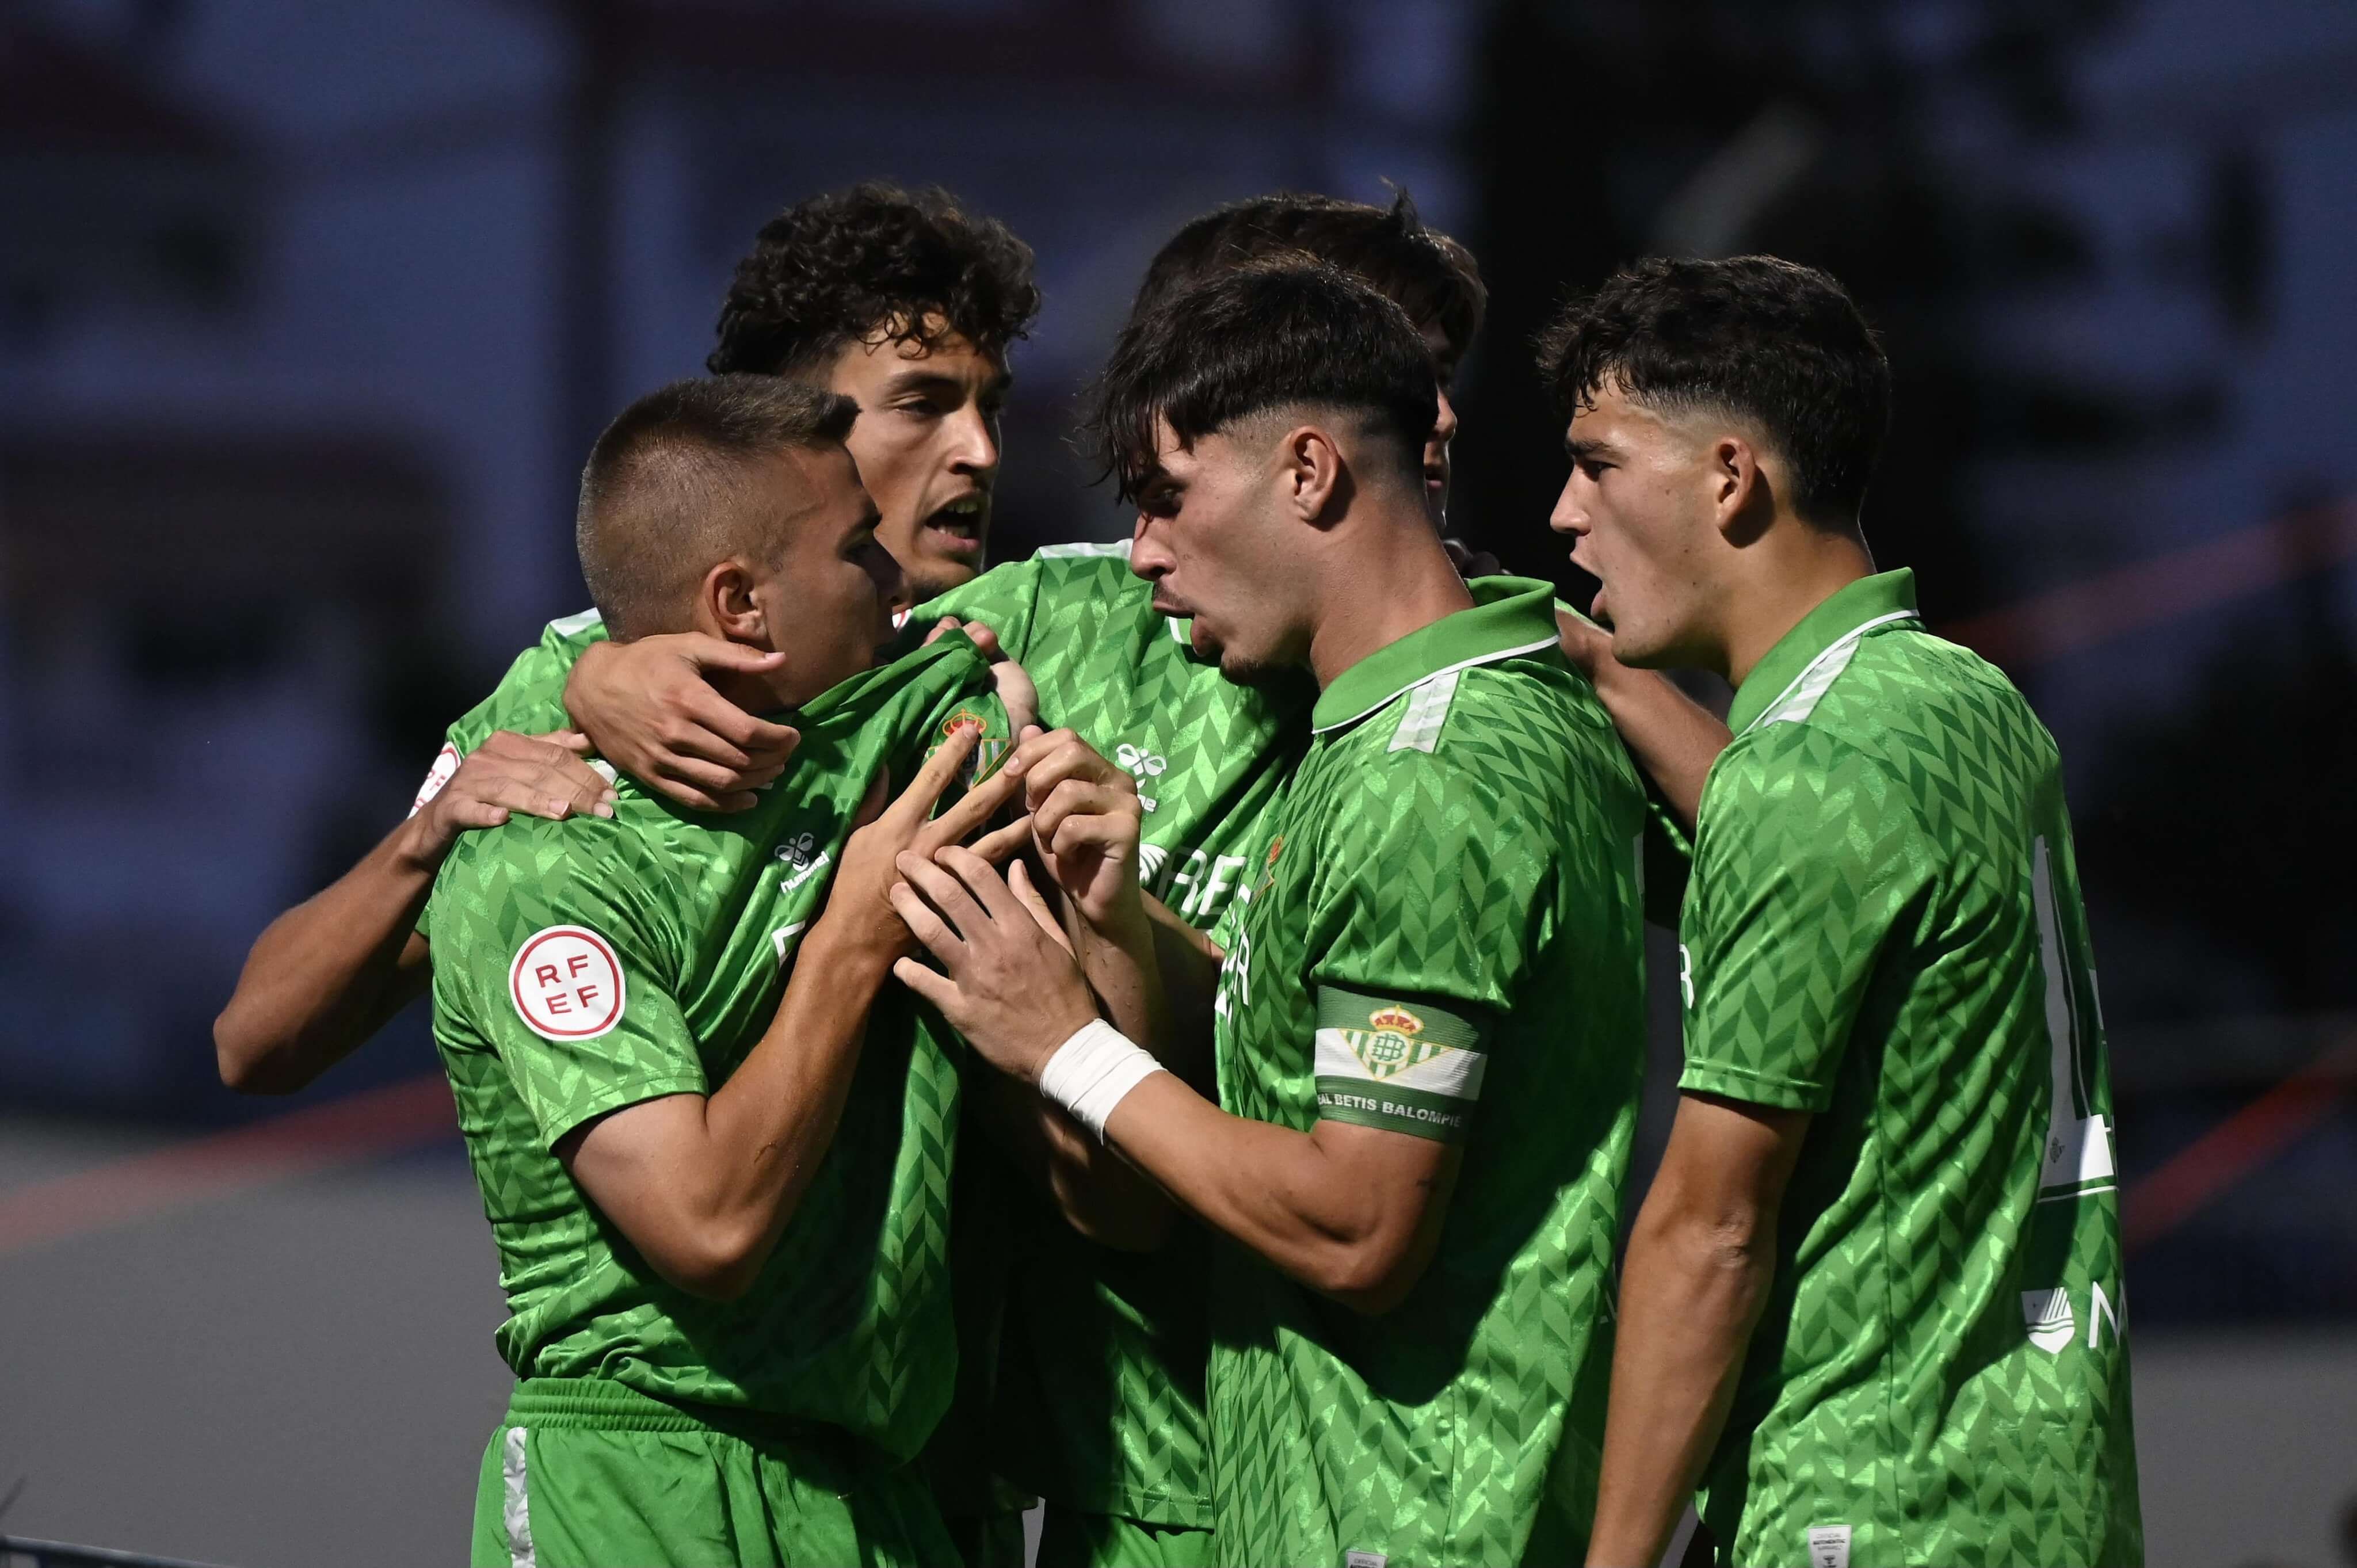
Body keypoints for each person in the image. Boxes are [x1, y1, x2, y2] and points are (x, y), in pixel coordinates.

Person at [889, 259, 1652, 1566]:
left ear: (1307, 470)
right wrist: (1119, 926)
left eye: (1167, 501)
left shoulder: (1428, 776)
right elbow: (1313, 1037)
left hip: (1408, 1523)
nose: (1140, 554)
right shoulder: (1439, 717)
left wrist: (1061, 1044)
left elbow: (1356, 1228)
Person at [1542, 256, 2141, 1567]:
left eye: (1596, 464)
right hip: (2037, 1494)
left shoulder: (1803, 780)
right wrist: (1615, 682)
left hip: (1864, 1507)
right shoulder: (1961, 704)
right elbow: (1830, 856)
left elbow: (1710, 1228)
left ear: (1727, 477)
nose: (1559, 515)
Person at [429, 374, 1025, 1564]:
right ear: (741, 604)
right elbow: (703, 1223)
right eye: (860, 550)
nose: (899, 579)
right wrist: (852, 940)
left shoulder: (901, 732)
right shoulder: (545, 865)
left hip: (873, 1489)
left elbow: (1022, 647)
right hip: (644, 1480)